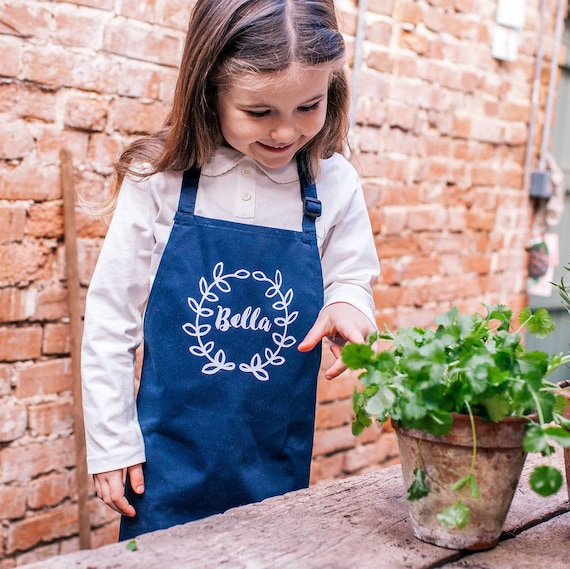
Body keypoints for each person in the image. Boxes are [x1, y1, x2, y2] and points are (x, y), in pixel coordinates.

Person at [81, 0, 380, 540]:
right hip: (163, 465)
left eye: (308, 106)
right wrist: (111, 443)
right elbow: (110, 318)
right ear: (208, 91)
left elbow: (351, 276)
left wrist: (348, 302)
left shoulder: (334, 183)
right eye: (260, 113)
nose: (286, 133)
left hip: (275, 464)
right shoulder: (160, 180)